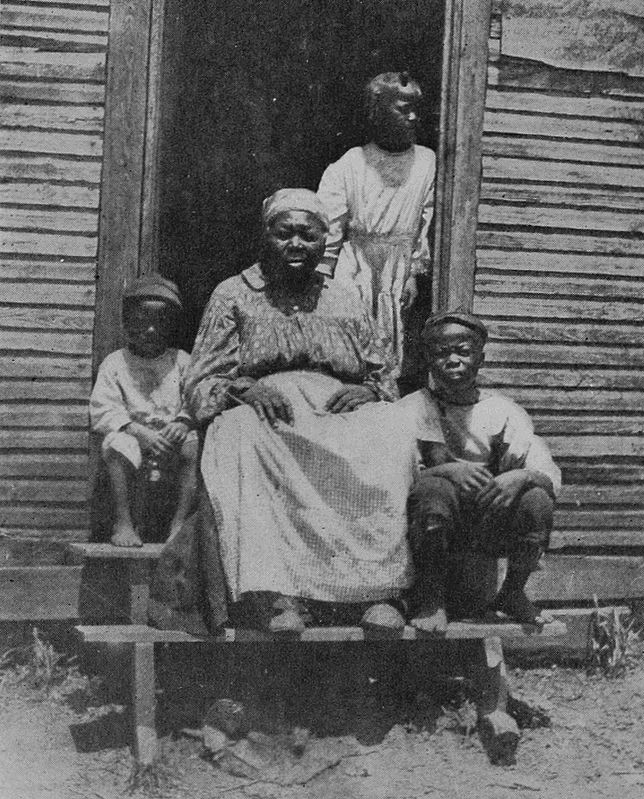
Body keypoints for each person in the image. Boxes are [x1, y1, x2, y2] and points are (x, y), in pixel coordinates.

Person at [155, 188, 417, 635]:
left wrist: (368, 391)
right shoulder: (234, 294)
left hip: (336, 412)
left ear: (324, 241)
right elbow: (200, 379)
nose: (296, 244)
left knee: (393, 429)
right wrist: (243, 388)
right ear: (266, 237)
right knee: (239, 434)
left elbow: (384, 370)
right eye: (284, 233)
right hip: (264, 413)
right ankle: (278, 597)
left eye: (308, 235)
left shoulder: (344, 297)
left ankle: (379, 591)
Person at [398, 310, 561, 634]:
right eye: (442, 353)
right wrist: (446, 471)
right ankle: (431, 600)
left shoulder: (503, 411)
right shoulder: (411, 408)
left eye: (463, 351)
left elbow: (546, 473)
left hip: (488, 523)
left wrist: (521, 477)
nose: (453, 361)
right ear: (428, 359)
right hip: (431, 526)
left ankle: (512, 593)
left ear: (480, 359)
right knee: (434, 491)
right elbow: (394, 474)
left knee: (536, 499)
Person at [316, 72, 435, 375]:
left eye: (415, 109)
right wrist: (324, 280)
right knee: (350, 339)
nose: (412, 117)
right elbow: (329, 227)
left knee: (393, 346)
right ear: (378, 111)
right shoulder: (351, 163)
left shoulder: (427, 162)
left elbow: (427, 222)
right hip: (356, 265)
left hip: (399, 268)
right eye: (402, 109)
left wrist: (413, 273)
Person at [89, 275, 199, 547]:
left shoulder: (181, 362)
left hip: (170, 439)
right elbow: (104, 408)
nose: (150, 330)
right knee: (116, 444)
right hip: (135, 436)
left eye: (160, 323)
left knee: (193, 445)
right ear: (127, 323)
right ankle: (124, 523)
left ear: (171, 326)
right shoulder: (116, 363)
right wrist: (136, 431)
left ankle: (178, 525)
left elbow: (196, 397)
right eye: (141, 322)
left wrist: (183, 422)